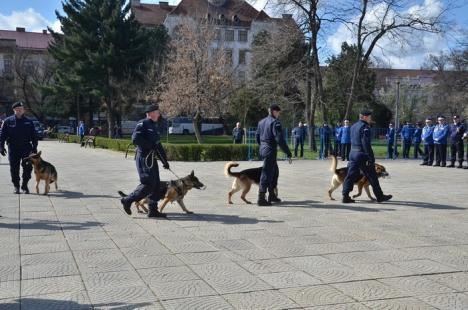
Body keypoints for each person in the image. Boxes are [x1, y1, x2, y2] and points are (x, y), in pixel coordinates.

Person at [120, 104, 169, 218]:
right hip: (143, 158)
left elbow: (157, 145)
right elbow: (135, 139)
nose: (159, 114)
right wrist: (149, 145)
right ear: (151, 113)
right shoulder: (143, 123)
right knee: (148, 184)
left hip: (151, 158)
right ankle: (128, 200)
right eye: (157, 112)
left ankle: (153, 210)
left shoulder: (154, 126)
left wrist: (164, 161)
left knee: (156, 184)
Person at [342, 110, 392, 203]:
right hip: (362, 154)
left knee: (350, 175)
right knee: (372, 175)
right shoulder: (365, 127)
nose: (371, 118)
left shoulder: (353, 126)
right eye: (369, 117)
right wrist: (370, 157)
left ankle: (345, 196)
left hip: (352, 153)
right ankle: (380, 196)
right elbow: (365, 143)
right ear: (364, 117)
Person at [256, 103, 292, 206]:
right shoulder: (275, 123)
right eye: (278, 112)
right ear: (274, 112)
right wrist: (288, 152)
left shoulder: (261, 122)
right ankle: (261, 198)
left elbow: (257, 136)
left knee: (274, 171)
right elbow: (279, 139)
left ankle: (272, 194)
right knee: (266, 173)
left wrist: (262, 146)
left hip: (263, 148)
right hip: (270, 150)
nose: (279, 115)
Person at [0, 101, 38, 194]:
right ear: (14, 110)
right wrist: (1, 147)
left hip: (26, 148)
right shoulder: (8, 121)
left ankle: (24, 185)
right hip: (13, 148)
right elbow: (2, 135)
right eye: (17, 109)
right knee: (14, 168)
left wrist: (35, 147)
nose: (19, 111)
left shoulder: (29, 122)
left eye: (21, 109)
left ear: (23, 110)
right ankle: (16, 186)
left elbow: (34, 135)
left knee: (28, 167)